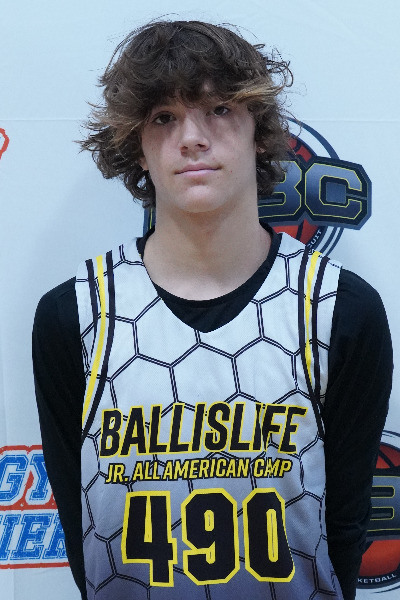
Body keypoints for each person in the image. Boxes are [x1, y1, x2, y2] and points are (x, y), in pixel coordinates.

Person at [32, 20, 392, 600]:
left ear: (260, 132)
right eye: (163, 117)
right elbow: (82, 536)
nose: (192, 138)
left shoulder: (340, 310)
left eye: (219, 109)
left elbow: (346, 528)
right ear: (136, 145)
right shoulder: (73, 315)